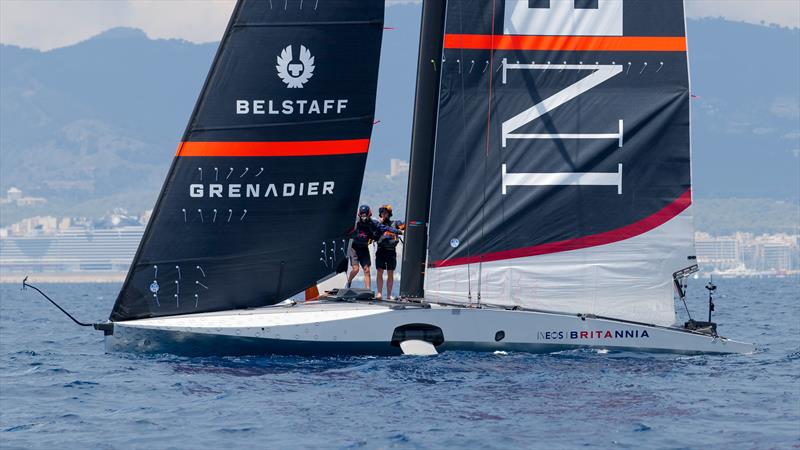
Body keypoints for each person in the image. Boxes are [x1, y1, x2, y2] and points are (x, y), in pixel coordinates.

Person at [346, 205, 403, 291]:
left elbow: (385, 228)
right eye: (362, 216)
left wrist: (399, 232)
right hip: (354, 248)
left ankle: (368, 291)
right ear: (359, 215)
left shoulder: (373, 223)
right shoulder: (355, 223)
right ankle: (349, 281)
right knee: (356, 269)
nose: (364, 218)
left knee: (367, 270)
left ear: (369, 215)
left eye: (366, 216)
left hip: (364, 248)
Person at [374, 205, 404, 299]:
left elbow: (403, 227)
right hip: (381, 250)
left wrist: (402, 227)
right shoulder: (378, 225)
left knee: (390, 272)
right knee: (380, 271)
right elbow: (373, 233)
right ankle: (379, 293)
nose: (384, 214)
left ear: (389, 214)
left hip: (391, 251)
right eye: (382, 212)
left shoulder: (395, 223)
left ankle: (389, 294)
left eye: (386, 212)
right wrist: (380, 222)